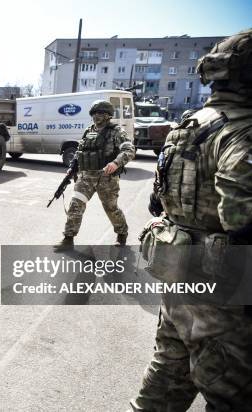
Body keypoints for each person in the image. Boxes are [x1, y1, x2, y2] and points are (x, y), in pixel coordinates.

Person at [131, 28, 252, 411]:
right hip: (223, 289)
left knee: (169, 371)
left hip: (179, 271)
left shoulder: (188, 125)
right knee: (231, 391)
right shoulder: (242, 132)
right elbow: (240, 217)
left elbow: (159, 202)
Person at [54, 100, 135, 251]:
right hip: (86, 177)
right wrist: (72, 167)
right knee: (75, 205)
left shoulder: (116, 131)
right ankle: (68, 238)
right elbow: (80, 152)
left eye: (100, 114)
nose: (96, 117)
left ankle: (122, 233)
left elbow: (129, 150)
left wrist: (116, 163)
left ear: (108, 115)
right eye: (94, 114)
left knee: (111, 208)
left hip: (107, 177)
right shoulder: (88, 130)